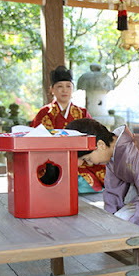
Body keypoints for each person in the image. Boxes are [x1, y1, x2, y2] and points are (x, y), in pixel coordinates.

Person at [65, 118, 139, 229]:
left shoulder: (137, 152)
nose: (90, 164)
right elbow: (113, 192)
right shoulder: (113, 153)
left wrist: (135, 231)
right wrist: (110, 221)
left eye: (88, 159)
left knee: (126, 223)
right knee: (118, 219)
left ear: (100, 145)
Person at [32, 65, 105, 193]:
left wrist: (81, 158)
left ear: (72, 89)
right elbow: (38, 142)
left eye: (68, 86)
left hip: (81, 161)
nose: (64, 90)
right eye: (59, 86)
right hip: (53, 163)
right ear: (52, 90)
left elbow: (94, 136)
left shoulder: (81, 112)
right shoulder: (44, 113)